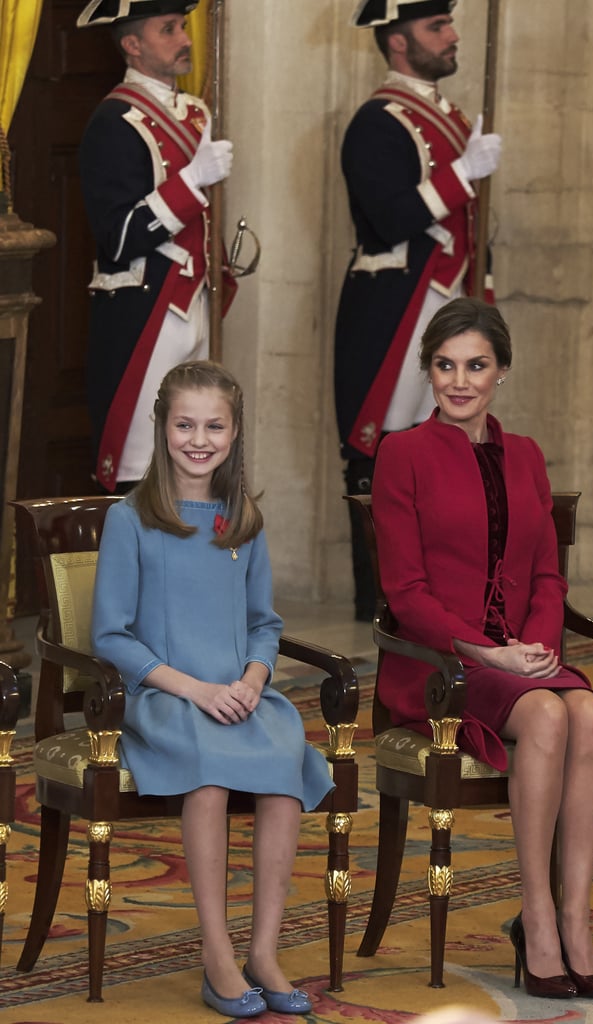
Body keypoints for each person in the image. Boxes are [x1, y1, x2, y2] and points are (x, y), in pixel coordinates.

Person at [371, 297, 593, 1000]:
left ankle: (574, 919)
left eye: (476, 365)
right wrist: (486, 653)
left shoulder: (527, 455)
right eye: (445, 365)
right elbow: (405, 594)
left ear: (502, 370)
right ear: (428, 370)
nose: (460, 381)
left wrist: (533, 645)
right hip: (439, 666)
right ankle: (537, 922)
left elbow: (546, 574)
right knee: (549, 715)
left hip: (524, 657)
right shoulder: (401, 454)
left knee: (586, 713)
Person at [91, 360, 331, 1017]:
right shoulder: (130, 520)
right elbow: (110, 636)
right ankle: (217, 952)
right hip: (168, 698)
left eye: (214, 426)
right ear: (162, 426)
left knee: (287, 766)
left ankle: (263, 949)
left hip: (239, 694)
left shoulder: (242, 519)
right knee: (211, 778)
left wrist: (255, 679)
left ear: (235, 434)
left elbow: (264, 624)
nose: (199, 439)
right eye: (185, 424)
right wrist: (197, 690)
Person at [335, 0, 502, 621]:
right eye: (438, 26)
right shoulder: (376, 122)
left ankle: (444, 591)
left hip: (448, 304)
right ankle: (377, 600)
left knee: (452, 447)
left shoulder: (449, 118)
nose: (453, 35)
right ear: (399, 43)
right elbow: (389, 219)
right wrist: (463, 173)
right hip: (395, 309)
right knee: (382, 450)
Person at [78, 0, 235, 493]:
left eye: (183, 26)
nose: (185, 38)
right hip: (145, 307)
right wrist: (192, 182)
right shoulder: (113, 121)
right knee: (141, 462)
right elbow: (119, 238)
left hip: (196, 301)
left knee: (197, 460)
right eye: (168, 29)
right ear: (133, 45)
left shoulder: (195, 113)